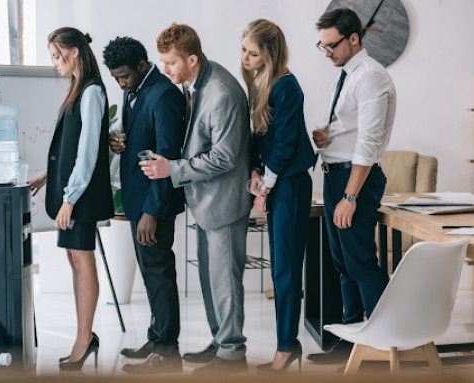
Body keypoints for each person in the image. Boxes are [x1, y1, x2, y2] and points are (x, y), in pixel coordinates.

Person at [140, 23, 252, 374]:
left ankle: (233, 354)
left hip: (224, 203)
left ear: (191, 58)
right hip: (207, 202)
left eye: (170, 63)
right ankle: (220, 343)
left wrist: (171, 170)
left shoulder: (221, 92)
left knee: (225, 283)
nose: (164, 70)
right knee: (210, 279)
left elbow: (224, 158)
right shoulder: (197, 81)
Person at [307, 8, 397, 364]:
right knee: (343, 264)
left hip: (353, 179)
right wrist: (326, 134)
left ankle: (382, 344)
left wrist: (350, 195)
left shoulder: (372, 77)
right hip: (335, 174)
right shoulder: (346, 74)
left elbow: (368, 144)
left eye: (331, 45)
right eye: (323, 45)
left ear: (354, 38)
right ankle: (351, 343)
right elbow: (350, 126)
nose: (326, 52)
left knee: (360, 263)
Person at [28, 27, 114, 371]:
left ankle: (84, 340)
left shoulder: (92, 92)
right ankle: (84, 336)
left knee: (83, 261)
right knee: (75, 262)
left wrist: (69, 198)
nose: (54, 62)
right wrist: (48, 176)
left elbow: (89, 151)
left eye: (56, 54)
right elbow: (72, 148)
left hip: (81, 198)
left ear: (75, 51)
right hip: (71, 194)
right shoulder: (77, 89)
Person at [102, 36, 186, 374]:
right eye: (116, 78)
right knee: (152, 274)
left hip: (155, 204)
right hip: (138, 200)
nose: (121, 83)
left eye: (124, 76)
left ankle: (168, 353)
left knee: (160, 273)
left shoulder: (163, 94)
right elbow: (143, 137)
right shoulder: (134, 89)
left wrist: (152, 211)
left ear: (142, 65)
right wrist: (121, 143)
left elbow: (169, 156)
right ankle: (157, 338)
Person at [241, 19, 316, 374]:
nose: (244, 57)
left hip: (291, 183)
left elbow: (285, 144)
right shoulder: (259, 84)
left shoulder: (287, 87)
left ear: (269, 54)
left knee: (286, 268)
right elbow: (258, 141)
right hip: (274, 180)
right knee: (280, 267)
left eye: (252, 52)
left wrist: (265, 187)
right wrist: (255, 173)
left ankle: (287, 346)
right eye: (243, 49)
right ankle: (287, 343)